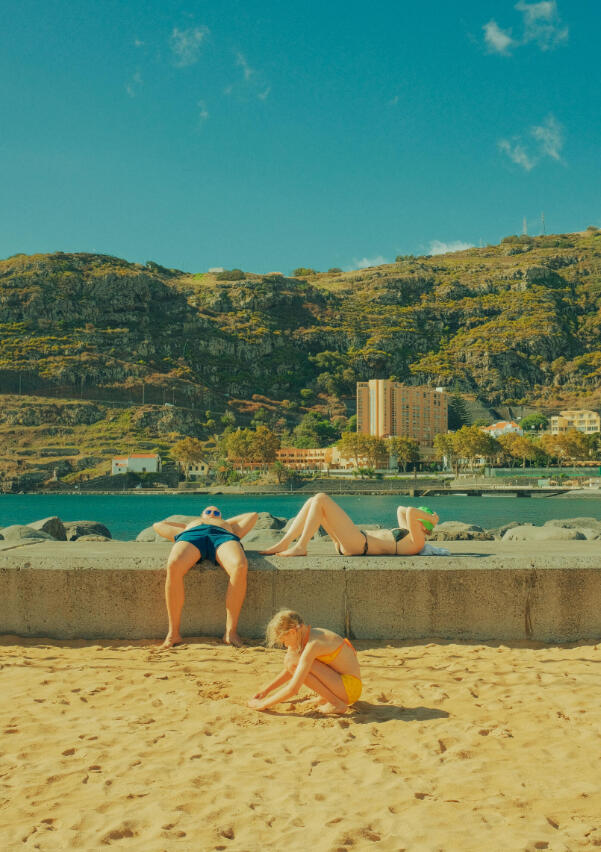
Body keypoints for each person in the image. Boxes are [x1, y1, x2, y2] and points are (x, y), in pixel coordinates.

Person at [153, 506, 258, 649]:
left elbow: (253, 515)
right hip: (192, 535)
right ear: (201, 515)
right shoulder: (190, 525)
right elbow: (158, 525)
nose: (212, 514)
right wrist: (190, 524)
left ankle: (230, 632)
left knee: (239, 566)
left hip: (223, 536)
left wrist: (223, 522)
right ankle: (173, 633)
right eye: (208, 512)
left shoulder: (229, 527)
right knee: (173, 565)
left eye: (217, 512)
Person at [248, 609, 362, 715]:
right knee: (291, 660)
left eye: (284, 640)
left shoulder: (314, 644)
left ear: (292, 632)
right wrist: (266, 691)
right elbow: (291, 669)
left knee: (293, 660)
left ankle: (336, 703)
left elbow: (293, 689)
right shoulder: (303, 635)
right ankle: (329, 698)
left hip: (350, 688)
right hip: (341, 683)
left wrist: (264, 704)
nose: (285, 645)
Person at [261, 493, 438, 557]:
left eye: (419, 521)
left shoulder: (418, 541)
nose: (414, 521)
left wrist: (431, 519)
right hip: (354, 541)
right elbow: (401, 509)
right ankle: (284, 543)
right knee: (313, 501)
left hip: (360, 544)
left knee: (322, 498)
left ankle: (301, 546)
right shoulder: (408, 533)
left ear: (424, 526)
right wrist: (427, 517)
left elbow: (410, 512)